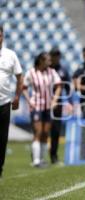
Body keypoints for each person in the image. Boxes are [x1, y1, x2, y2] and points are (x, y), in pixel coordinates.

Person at [23, 52, 61, 167]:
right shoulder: (31, 72)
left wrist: (55, 99)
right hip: (37, 106)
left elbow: (59, 85)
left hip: (48, 107)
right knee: (38, 132)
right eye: (48, 60)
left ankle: (41, 159)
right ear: (41, 61)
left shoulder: (52, 72)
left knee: (45, 133)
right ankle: (35, 161)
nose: (50, 61)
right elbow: (24, 87)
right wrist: (29, 101)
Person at [0, 25, 23, 178]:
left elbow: (20, 77)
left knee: (2, 139)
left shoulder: (10, 55)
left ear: (3, 36)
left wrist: (17, 97)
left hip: (4, 103)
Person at [49, 48, 72, 164]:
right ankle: (37, 157)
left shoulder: (63, 70)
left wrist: (70, 102)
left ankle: (54, 156)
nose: (56, 58)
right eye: (54, 55)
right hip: (44, 102)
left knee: (56, 130)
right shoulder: (45, 69)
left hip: (58, 103)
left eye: (58, 55)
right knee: (42, 130)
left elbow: (68, 87)